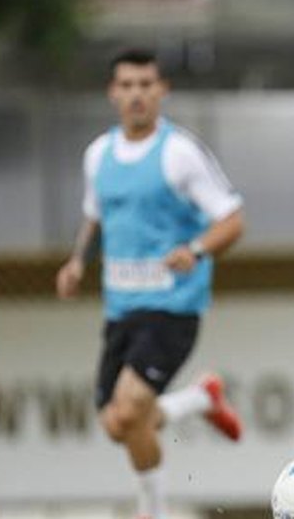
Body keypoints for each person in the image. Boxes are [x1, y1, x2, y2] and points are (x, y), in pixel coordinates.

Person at [55, 48, 245, 519]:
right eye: (127, 85)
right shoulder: (98, 155)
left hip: (173, 306)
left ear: (162, 91)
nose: (136, 94)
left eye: (146, 85)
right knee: (119, 423)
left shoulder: (179, 152)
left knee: (131, 407)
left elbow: (232, 219)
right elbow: (95, 216)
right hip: (121, 308)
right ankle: (200, 398)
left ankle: (152, 511)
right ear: (112, 92)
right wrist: (77, 262)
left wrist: (196, 250)